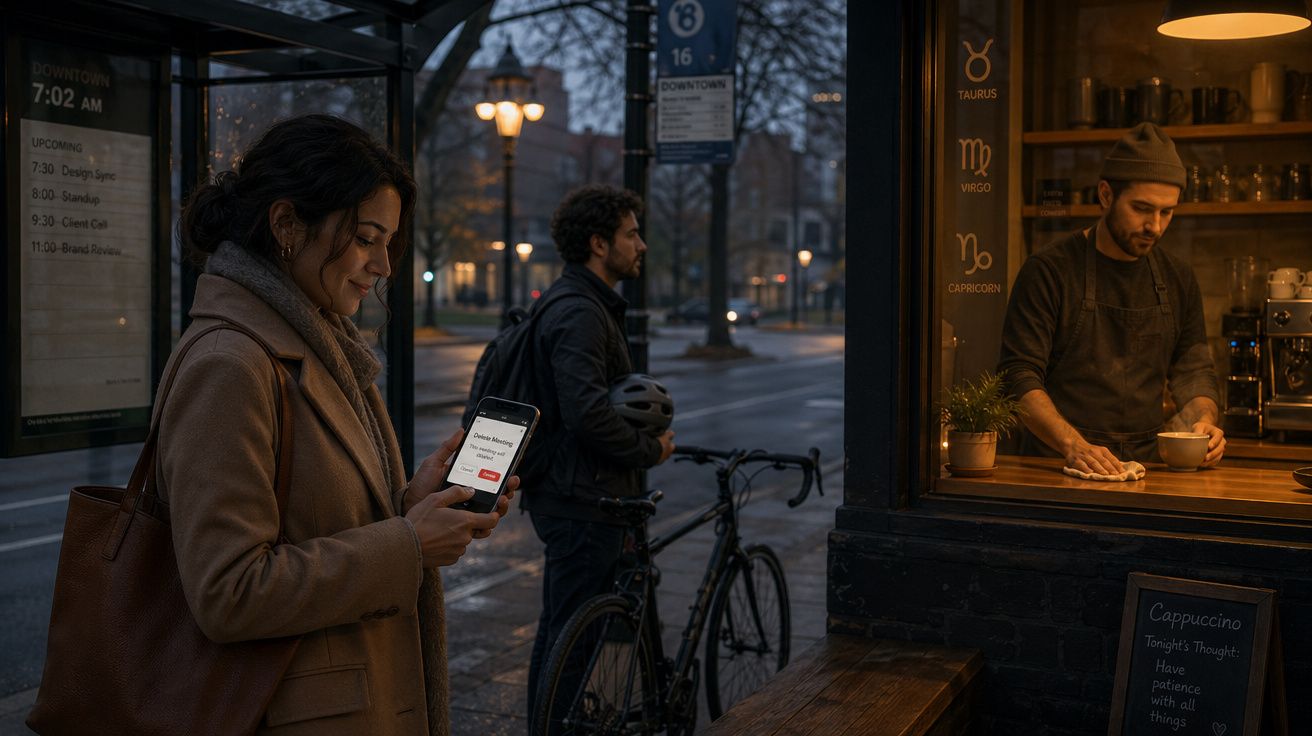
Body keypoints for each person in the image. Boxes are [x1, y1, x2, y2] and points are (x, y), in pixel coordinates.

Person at [166, 114, 512, 735]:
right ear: (287, 226)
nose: (383, 264)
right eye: (366, 237)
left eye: (389, 242)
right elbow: (229, 591)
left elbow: (320, 522)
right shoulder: (231, 364)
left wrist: (411, 504)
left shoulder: (320, 343)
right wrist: (408, 544)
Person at [523, 185, 676, 722]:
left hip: (580, 493)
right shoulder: (581, 312)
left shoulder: (582, 303)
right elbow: (587, 412)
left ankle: (549, 723)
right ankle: (554, 727)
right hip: (583, 498)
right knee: (572, 637)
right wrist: (648, 450)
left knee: (563, 630)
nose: (642, 245)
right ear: (597, 244)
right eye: (631, 234)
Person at [998, 122, 1225, 475]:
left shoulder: (1178, 277)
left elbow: (1193, 371)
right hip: (1057, 466)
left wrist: (1205, 423)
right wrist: (1073, 445)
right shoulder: (1050, 270)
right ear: (1106, 195)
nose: (1156, 225)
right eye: (1142, 208)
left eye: (1167, 212)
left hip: (1145, 469)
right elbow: (1018, 376)